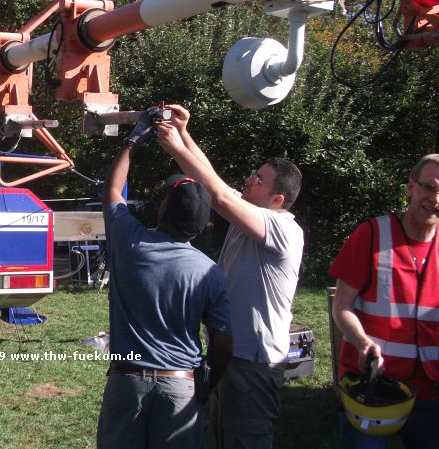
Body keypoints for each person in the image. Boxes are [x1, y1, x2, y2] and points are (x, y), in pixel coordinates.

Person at [155, 105, 303, 449]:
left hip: (255, 361)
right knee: (224, 437)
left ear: (277, 199)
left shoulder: (281, 228)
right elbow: (214, 181)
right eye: (255, 173)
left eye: (259, 180)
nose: (250, 179)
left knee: (246, 441)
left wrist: (175, 146)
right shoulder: (253, 212)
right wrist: (184, 132)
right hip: (232, 355)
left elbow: (218, 196)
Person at [97, 107, 233, 449]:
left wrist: (133, 140)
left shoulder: (131, 242)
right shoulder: (210, 271)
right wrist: (207, 382)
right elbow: (223, 341)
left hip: (126, 384)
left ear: (162, 209)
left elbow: (113, 190)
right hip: (180, 388)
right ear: (203, 227)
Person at [329, 154, 439, 448]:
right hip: (373, 386)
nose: (436, 199)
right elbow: (342, 305)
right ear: (410, 187)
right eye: (430, 187)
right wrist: (362, 342)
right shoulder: (372, 234)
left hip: (432, 393)